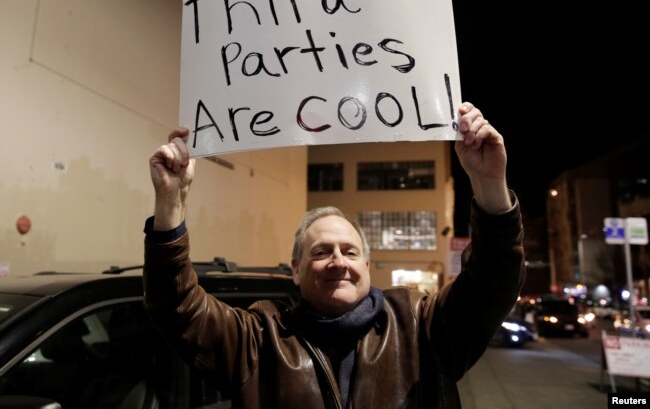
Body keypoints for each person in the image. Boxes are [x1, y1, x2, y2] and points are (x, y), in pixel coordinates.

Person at [143, 102, 525, 408]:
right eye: (321, 252)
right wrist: (170, 203)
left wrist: (489, 183)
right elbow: (176, 306)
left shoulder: (422, 327)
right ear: (296, 270)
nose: (338, 262)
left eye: (349, 251)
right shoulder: (258, 339)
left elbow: (494, 277)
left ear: (366, 265)